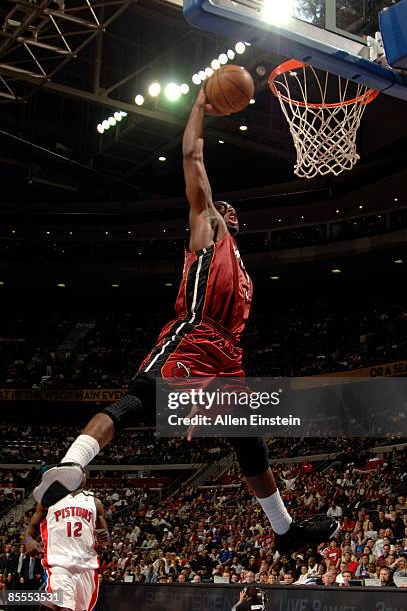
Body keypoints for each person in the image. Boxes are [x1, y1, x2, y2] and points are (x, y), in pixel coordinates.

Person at [32, 88, 338, 554]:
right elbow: (193, 156)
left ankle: (284, 530)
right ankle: (74, 463)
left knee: (249, 440)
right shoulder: (207, 226)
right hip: (193, 333)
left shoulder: (243, 268)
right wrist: (199, 106)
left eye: (232, 209)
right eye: (222, 204)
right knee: (141, 399)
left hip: (227, 356)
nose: (226, 207)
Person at [25, 472, 109, 611]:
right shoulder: (50, 499)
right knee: (64, 608)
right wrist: (28, 539)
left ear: (85, 476)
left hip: (86, 567)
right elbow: (32, 527)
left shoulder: (95, 502)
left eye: (81, 471)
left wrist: (105, 538)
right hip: (60, 565)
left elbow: (104, 538)